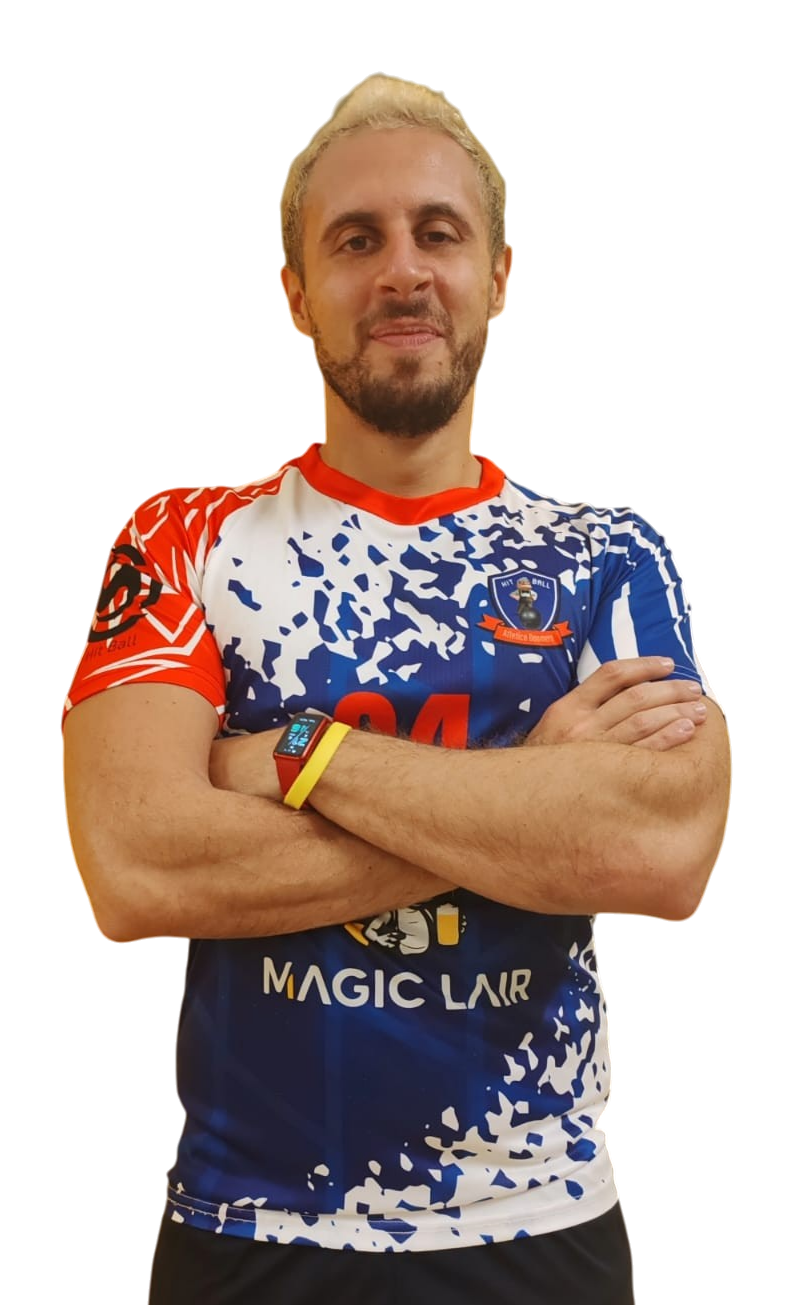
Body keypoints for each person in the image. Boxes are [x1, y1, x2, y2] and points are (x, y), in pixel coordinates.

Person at [61, 72, 731, 1305]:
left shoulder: (604, 556)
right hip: (247, 1229)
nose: (402, 272)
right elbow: (134, 867)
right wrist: (530, 802)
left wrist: (293, 755)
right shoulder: (184, 538)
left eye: (438, 233)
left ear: (498, 277)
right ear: (295, 296)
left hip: (540, 1227)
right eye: (355, 240)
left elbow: (665, 852)